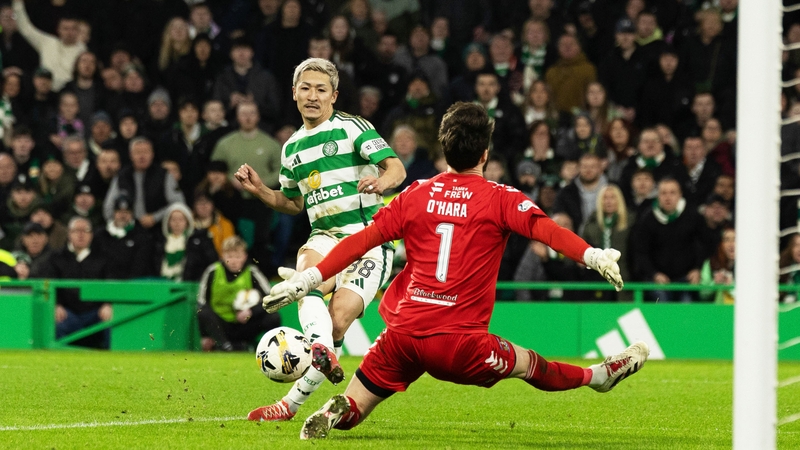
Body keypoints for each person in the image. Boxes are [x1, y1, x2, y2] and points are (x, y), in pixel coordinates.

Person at [258, 102, 648, 439]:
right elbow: (549, 232)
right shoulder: (500, 198)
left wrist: (309, 279)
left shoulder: (415, 193)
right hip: (460, 345)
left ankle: (339, 408)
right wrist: (593, 255)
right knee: (530, 364)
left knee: (360, 403)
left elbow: (361, 241)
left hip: (403, 336)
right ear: (485, 154)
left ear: (444, 149)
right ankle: (599, 376)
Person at [236, 57, 406, 422]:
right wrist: (260, 190)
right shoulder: (292, 148)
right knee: (306, 271)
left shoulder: (353, 128)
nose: (313, 95)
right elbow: (293, 203)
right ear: (294, 93)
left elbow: (396, 167)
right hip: (325, 236)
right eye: (306, 88)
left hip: (368, 239)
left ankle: (291, 402)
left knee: (338, 320)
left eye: (321, 89)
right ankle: (321, 352)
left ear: (334, 96)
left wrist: (381, 182)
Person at [196, 236, 280, 352]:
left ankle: (272, 349)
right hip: (221, 325)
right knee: (203, 312)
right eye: (229, 256)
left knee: (273, 317)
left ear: (245, 257)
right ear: (222, 256)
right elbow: (201, 303)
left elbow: (271, 299)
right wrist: (204, 336)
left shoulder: (252, 272)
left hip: (245, 324)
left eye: (237, 257)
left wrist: (251, 311)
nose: (234, 261)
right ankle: (225, 345)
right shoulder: (212, 271)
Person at [41, 216, 110, 348]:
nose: (81, 234)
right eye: (76, 230)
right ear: (69, 234)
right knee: (55, 325)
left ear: (91, 235)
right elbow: (48, 285)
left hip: (95, 313)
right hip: (68, 313)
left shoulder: (103, 258)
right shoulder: (56, 258)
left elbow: (111, 283)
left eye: (86, 230)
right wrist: (56, 305)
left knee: (113, 321)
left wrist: (108, 304)